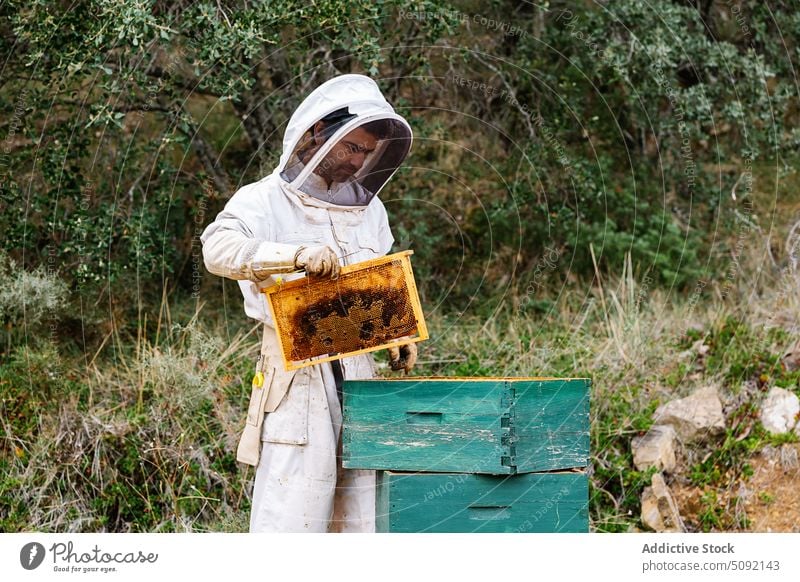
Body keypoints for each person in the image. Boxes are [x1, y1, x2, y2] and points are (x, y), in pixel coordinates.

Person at [200, 74, 417, 532]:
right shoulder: (263, 199)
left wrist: (399, 331)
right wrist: (293, 257)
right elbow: (216, 248)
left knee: (361, 524)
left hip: (360, 378)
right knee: (290, 523)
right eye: (352, 148)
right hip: (296, 379)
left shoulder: (369, 210)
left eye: (366, 153)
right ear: (319, 134)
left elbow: (378, 280)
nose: (359, 161)